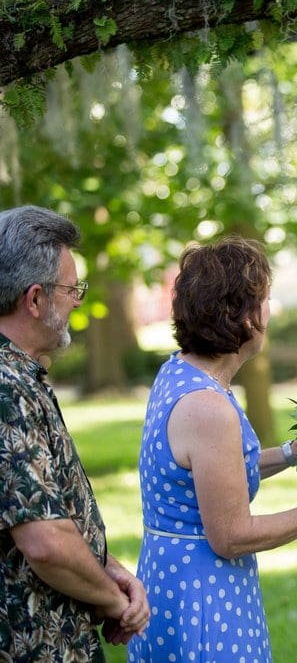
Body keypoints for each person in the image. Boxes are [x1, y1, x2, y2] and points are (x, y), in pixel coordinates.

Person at [126, 236, 297, 662]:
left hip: (170, 582)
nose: (270, 312)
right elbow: (230, 536)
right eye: (264, 301)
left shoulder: (180, 372)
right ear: (240, 317)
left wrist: (295, 451)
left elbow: (214, 472)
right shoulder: (207, 407)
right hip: (204, 599)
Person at [0, 205, 150, 660]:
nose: (78, 300)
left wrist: (109, 569)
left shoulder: (22, 376)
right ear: (35, 300)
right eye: (71, 289)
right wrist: (113, 600)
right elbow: (45, 542)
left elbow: (58, 508)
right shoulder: (7, 389)